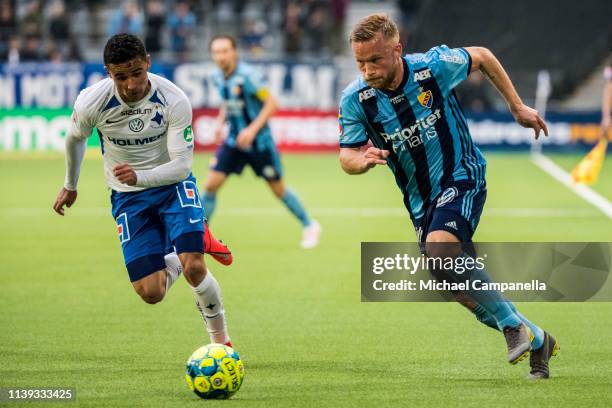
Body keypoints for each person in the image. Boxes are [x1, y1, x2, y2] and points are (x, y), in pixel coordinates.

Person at [338, 14, 558, 379]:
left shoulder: (432, 68)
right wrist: (360, 161)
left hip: (463, 174)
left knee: (442, 250)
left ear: (397, 50)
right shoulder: (356, 99)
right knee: (455, 287)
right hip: (421, 202)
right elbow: (346, 154)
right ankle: (536, 338)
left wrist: (517, 106)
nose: (367, 70)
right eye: (359, 62)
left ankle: (511, 325)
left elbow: (483, 56)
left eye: (375, 60)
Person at [53, 34, 232, 347]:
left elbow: (181, 166)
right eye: (120, 76)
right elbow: (74, 139)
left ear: (148, 62)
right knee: (151, 293)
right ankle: (189, 242)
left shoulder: (173, 99)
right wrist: (71, 185)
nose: (131, 84)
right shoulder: (92, 101)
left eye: (137, 72)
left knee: (194, 266)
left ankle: (222, 345)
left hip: (172, 186)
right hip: (127, 197)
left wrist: (141, 175)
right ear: (108, 73)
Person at [203, 34, 321, 249]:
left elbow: (272, 103)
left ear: (234, 52)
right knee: (210, 185)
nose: (220, 56)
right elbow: (227, 101)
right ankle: (200, 236)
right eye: (216, 52)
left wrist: (251, 129)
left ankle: (309, 225)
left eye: (224, 51)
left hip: (259, 144)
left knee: (278, 189)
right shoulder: (216, 76)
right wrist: (220, 122)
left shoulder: (249, 76)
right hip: (233, 142)